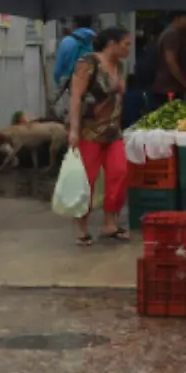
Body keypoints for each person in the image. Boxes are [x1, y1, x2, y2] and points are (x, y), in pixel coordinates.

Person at [66, 26, 134, 246]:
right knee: (87, 180)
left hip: (113, 131)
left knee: (119, 172)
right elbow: (76, 97)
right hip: (90, 131)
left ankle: (109, 222)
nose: (128, 49)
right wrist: (74, 130)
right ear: (112, 44)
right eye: (126, 44)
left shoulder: (120, 66)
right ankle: (82, 226)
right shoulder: (88, 63)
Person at [151, 13, 186, 105]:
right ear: (178, 18)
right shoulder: (172, 35)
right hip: (169, 87)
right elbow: (171, 61)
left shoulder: (174, 34)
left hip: (172, 86)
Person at [52, 17, 96, 94]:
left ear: (75, 23)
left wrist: (60, 83)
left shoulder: (66, 42)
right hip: (92, 89)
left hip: (71, 88)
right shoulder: (96, 41)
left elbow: (57, 72)